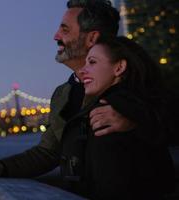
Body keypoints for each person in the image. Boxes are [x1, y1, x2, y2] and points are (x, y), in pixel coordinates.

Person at [0, 0, 140, 196]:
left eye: (65, 30)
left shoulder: (133, 85)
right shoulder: (63, 94)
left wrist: (135, 118)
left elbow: (166, 120)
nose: (55, 36)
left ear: (91, 38)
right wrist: (1, 167)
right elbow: (48, 152)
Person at [70, 36, 175, 199]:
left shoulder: (107, 113)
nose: (82, 71)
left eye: (92, 62)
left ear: (119, 68)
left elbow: (110, 188)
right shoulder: (141, 107)